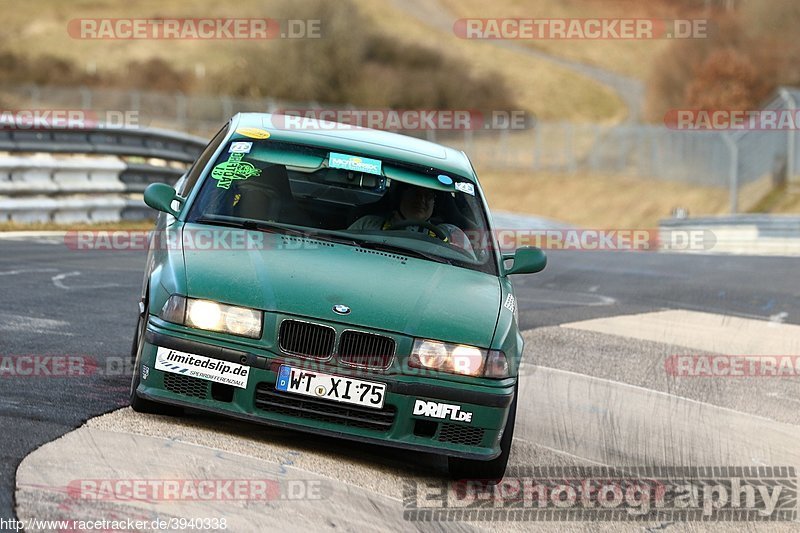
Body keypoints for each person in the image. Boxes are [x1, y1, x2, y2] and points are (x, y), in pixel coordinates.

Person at [348, 183, 471, 249]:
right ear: (400, 197)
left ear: (435, 204)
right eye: (415, 193)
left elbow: (468, 268)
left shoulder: (451, 233)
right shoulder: (367, 224)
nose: (422, 200)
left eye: (428, 196)